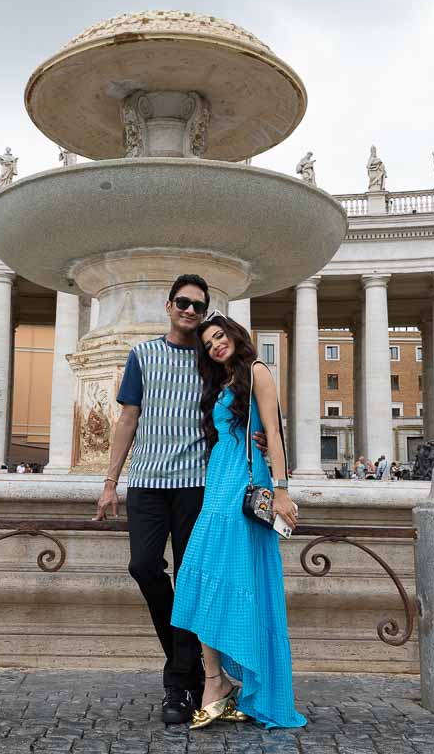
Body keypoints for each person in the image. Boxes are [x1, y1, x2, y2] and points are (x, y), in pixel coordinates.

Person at [170, 312, 305, 730]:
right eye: (208, 343)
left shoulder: (257, 370)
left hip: (245, 486)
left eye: (219, 336)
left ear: (234, 334)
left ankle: (225, 684)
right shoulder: (221, 382)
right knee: (200, 576)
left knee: (229, 577)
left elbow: (274, 432)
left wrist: (281, 490)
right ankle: (216, 680)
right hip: (218, 482)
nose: (215, 345)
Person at [92, 274, 214, 725]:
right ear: (168, 306)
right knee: (143, 566)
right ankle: (187, 664)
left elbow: (233, 408)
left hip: (195, 483)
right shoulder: (143, 355)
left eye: (198, 306)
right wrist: (110, 482)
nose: (189, 311)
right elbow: (127, 418)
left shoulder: (210, 359)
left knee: (191, 577)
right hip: (147, 481)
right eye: (183, 302)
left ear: (205, 313)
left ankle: (178, 685)